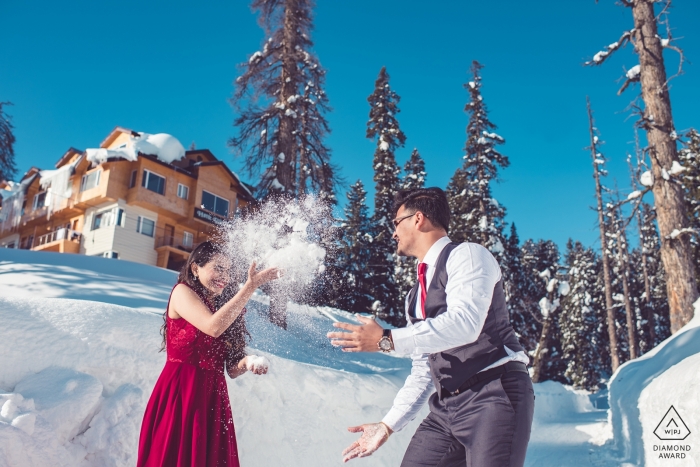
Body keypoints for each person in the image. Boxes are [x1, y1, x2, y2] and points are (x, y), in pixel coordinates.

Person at [327, 187, 535, 467]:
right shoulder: (414, 297)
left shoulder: (468, 255)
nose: (393, 233)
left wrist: (386, 340)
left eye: (396, 223)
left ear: (418, 219)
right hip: (446, 407)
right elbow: (426, 369)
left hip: (494, 393)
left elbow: (465, 324)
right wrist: (387, 425)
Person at [137, 240, 281, 467]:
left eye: (229, 270)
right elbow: (213, 327)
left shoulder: (226, 307)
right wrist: (249, 287)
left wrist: (248, 361)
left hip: (213, 400)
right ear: (196, 268)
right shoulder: (182, 292)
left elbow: (232, 369)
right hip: (180, 394)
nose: (225, 275)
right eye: (218, 268)